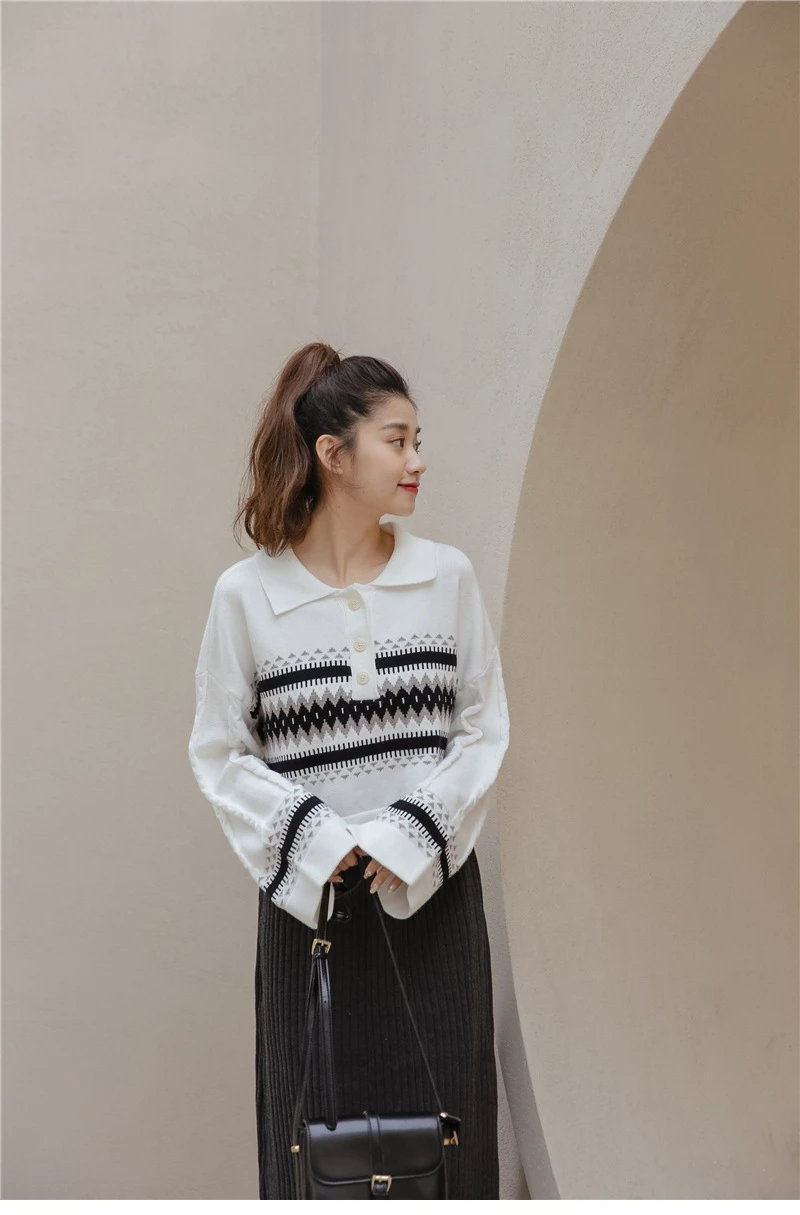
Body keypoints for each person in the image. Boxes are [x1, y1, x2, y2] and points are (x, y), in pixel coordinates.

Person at [187, 341, 510, 1198]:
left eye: (416, 441)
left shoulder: (447, 578)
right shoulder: (247, 595)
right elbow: (220, 749)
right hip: (312, 915)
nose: (417, 460)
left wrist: (407, 836)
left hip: (433, 908)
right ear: (334, 454)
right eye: (397, 440)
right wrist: (317, 839)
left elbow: (483, 729)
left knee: (449, 1147)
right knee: (313, 1154)